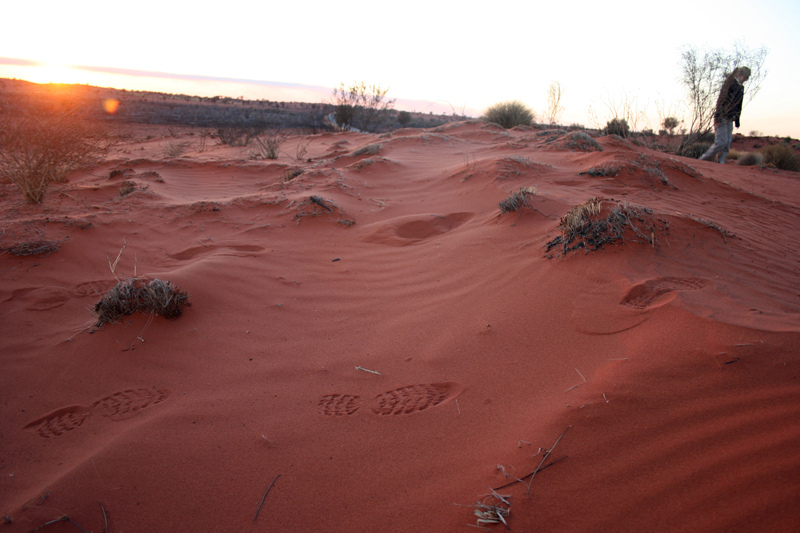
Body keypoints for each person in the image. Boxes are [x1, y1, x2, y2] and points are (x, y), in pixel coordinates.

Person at [699, 66, 751, 164]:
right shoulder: (730, 84)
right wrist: (718, 117)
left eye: (747, 78)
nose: (745, 80)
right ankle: (703, 159)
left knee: (727, 143)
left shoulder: (741, 88)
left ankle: (721, 161)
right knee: (721, 142)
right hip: (722, 116)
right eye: (745, 77)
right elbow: (721, 100)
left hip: (730, 118)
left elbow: (739, 104)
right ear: (739, 74)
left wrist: (737, 120)